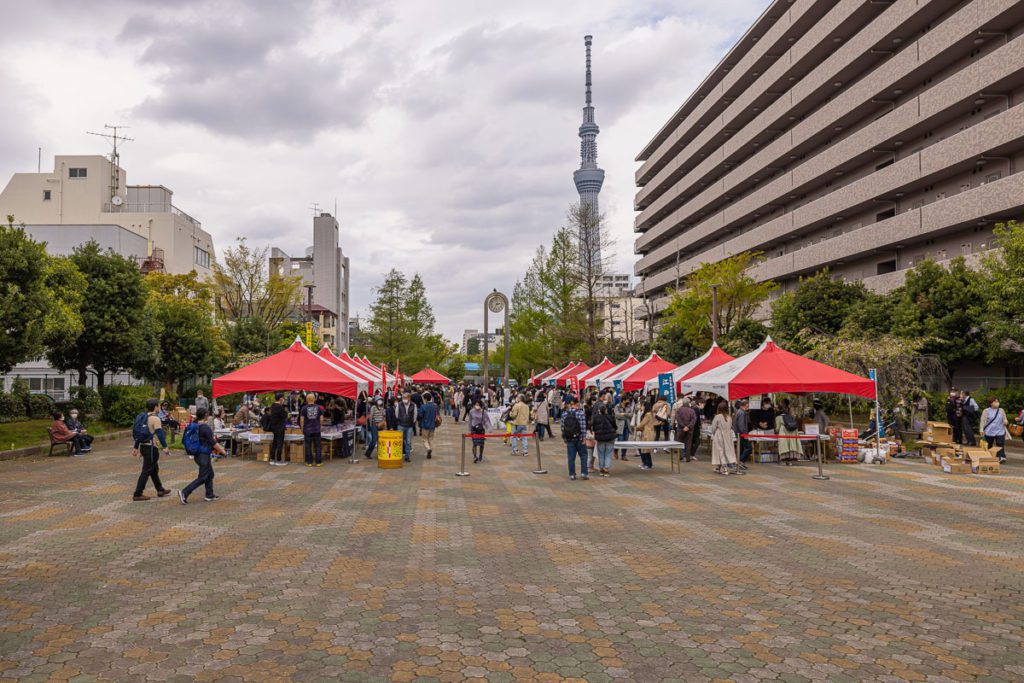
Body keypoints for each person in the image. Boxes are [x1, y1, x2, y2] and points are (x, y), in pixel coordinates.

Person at [178, 406, 225, 504]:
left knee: (210, 474)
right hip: (203, 455)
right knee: (203, 477)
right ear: (206, 415)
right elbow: (213, 442)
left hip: (198, 455)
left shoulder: (194, 425)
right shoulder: (205, 427)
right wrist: (222, 450)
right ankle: (184, 492)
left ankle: (209, 495)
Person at [132, 398, 172, 501]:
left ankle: (160, 489)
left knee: (154, 470)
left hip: (144, 447)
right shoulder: (155, 419)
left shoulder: (144, 417)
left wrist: (136, 447)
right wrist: (165, 447)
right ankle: (137, 493)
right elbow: (160, 434)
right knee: (146, 471)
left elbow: (140, 433)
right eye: (158, 406)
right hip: (151, 449)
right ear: (155, 407)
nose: (159, 407)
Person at [711, 401, 742, 475]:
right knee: (727, 451)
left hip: (719, 435)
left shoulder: (717, 417)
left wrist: (714, 434)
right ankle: (721, 467)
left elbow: (713, 428)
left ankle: (724, 468)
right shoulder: (729, 417)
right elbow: (731, 426)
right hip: (728, 435)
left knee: (720, 451)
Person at [561, 397, 588, 480]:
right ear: (577, 403)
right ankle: (584, 473)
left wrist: (565, 438)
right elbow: (583, 427)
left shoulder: (564, 414)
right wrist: (584, 438)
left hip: (569, 439)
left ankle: (572, 474)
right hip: (579, 438)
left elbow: (562, 428)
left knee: (571, 458)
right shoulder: (581, 413)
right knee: (583, 456)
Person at [591, 402, 617, 477]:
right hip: (610, 437)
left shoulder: (596, 417)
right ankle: (606, 469)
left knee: (601, 454)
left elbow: (594, 427)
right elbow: (615, 426)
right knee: (608, 454)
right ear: (606, 410)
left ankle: (601, 468)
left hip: (600, 438)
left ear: (599, 410)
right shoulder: (610, 417)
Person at [980, 397, 1008, 463]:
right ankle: (989, 456)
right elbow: (983, 421)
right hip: (989, 431)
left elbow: (1004, 418)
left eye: (997, 401)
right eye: (995, 402)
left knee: (1000, 443)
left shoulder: (1001, 410)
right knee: (989, 444)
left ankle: (1001, 457)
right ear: (991, 403)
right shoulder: (986, 411)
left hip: (1000, 430)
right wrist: (981, 430)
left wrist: (1005, 421)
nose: (997, 403)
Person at [300, 393, 325, 467]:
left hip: (307, 429)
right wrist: (319, 426)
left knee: (308, 446)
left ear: (307, 400)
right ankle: (318, 462)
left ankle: (309, 462)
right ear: (314, 399)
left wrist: (302, 427)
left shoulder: (304, 408)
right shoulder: (319, 407)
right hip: (316, 429)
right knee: (318, 446)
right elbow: (321, 419)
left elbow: (302, 420)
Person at [776, 399, 801, 465]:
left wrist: (776, 431)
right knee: (790, 446)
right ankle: (789, 461)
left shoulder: (779, 417)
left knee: (784, 447)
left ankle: (783, 461)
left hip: (783, 432)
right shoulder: (791, 416)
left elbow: (777, 428)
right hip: (792, 432)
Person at [674, 398, 698, 463]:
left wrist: (683, 426)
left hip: (680, 428)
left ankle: (680, 455)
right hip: (690, 429)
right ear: (689, 403)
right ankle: (687, 458)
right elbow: (694, 419)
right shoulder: (692, 410)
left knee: (679, 442)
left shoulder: (679, 410)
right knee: (688, 443)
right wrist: (688, 426)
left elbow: (678, 418)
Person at [268, 392, 289, 466]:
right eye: (283, 398)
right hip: (280, 427)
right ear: (280, 399)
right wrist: (286, 412)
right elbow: (285, 416)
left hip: (274, 427)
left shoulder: (273, 406)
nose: (283, 400)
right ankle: (279, 460)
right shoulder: (280, 407)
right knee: (279, 443)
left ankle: (272, 459)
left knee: (274, 443)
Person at [396, 392, 417, 462]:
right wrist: (400, 419)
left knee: (408, 441)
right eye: (403, 398)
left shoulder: (413, 405)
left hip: (409, 426)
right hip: (400, 425)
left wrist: (412, 422)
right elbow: (397, 414)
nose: (404, 399)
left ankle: (407, 456)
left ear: (409, 398)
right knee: (399, 440)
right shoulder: (399, 404)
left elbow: (415, 415)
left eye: (405, 398)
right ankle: (398, 454)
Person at [635, 402, 656, 470]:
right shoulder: (650, 413)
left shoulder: (648, 414)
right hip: (647, 432)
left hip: (647, 433)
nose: (641, 407)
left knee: (645, 449)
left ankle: (648, 464)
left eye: (642, 406)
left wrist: (637, 428)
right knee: (644, 449)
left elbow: (642, 423)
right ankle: (645, 463)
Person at [419, 393, 439, 459]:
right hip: (432, 425)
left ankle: (428, 449)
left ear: (425, 399)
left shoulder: (423, 406)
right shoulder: (435, 406)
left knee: (425, 440)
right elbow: (437, 415)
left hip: (425, 425)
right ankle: (430, 449)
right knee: (430, 439)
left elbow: (420, 416)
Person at [733, 399, 751, 465]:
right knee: (749, 447)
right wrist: (744, 434)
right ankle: (741, 460)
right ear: (746, 405)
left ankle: (740, 462)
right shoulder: (741, 413)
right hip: (741, 434)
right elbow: (741, 425)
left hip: (739, 433)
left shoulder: (739, 411)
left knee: (741, 448)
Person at [614, 396, 632, 461]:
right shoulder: (617, 406)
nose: (628, 401)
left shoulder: (628, 407)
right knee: (620, 441)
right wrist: (626, 416)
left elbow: (631, 415)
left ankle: (623, 455)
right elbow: (617, 415)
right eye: (627, 400)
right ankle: (615, 450)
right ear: (623, 401)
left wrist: (624, 414)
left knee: (626, 442)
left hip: (627, 427)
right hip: (620, 426)